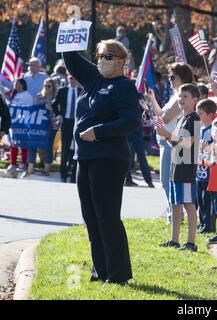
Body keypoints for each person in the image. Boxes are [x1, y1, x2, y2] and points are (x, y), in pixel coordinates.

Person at [63, 39, 140, 284]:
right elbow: (72, 58)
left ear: (120, 60)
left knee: (107, 216)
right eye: (99, 57)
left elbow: (131, 121)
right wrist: (70, 33)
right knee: (91, 216)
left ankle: (118, 274)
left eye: (107, 57)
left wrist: (99, 131)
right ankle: (101, 269)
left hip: (109, 158)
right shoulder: (94, 80)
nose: (101, 61)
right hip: (84, 157)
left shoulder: (123, 86)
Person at [146, 63, 195, 222]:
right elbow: (161, 114)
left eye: (173, 76)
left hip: (171, 142)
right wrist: (152, 100)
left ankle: (175, 214)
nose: (170, 79)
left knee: (166, 181)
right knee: (166, 180)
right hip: (165, 140)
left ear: (183, 77)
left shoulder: (181, 96)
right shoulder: (176, 95)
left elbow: (164, 118)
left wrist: (155, 121)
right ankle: (173, 212)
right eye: (169, 76)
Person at [157, 84, 201, 252]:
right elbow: (176, 142)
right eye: (180, 96)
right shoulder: (182, 118)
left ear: (195, 100)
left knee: (188, 205)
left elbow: (189, 142)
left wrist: (167, 134)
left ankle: (191, 243)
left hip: (187, 168)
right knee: (175, 203)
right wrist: (165, 135)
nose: (181, 100)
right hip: (176, 166)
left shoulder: (194, 118)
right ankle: (174, 240)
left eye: (185, 97)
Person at [23, 78, 60, 177]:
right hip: (38, 125)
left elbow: (58, 112)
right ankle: (30, 168)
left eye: (49, 86)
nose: (46, 88)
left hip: (51, 126)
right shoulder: (39, 96)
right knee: (32, 145)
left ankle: (46, 169)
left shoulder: (56, 98)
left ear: (53, 87)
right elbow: (33, 110)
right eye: (45, 85)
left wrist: (50, 109)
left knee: (48, 147)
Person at [51, 74, 81, 182]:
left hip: (78, 123)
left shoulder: (81, 91)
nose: (72, 81)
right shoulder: (63, 91)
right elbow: (54, 104)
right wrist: (58, 114)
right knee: (65, 149)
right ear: (68, 79)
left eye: (74, 79)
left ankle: (73, 174)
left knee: (77, 149)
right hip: (66, 122)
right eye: (70, 79)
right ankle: (63, 174)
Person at [196, 99, 216, 233]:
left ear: (210, 115)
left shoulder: (214, 130)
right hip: (199, 170)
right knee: (200, 199)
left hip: (209, 172)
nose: (198, 116)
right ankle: (202, 223)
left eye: (200, 114)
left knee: (207, 199)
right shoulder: (198, 129)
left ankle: (209, 225)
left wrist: (206, 147)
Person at [5, 78, 33, 174]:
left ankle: (23, 162)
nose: (15, 85)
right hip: (13, 123)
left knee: (23, 144)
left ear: (22, 85)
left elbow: (29, 109)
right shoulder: (14, 94)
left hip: (23, 124)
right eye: (14, 83)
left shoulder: (27, 95)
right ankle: (12, 163)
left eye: (17, 83)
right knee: (13, 143)